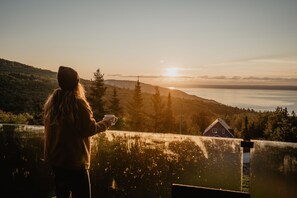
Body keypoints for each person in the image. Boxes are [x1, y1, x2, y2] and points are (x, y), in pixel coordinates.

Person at [43, 66, 115, 198]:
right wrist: (107, 122)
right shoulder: (78, 103)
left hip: (57, 162)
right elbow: (90, 129)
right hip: (76, 164)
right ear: (76, 83)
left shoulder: (52, 103)